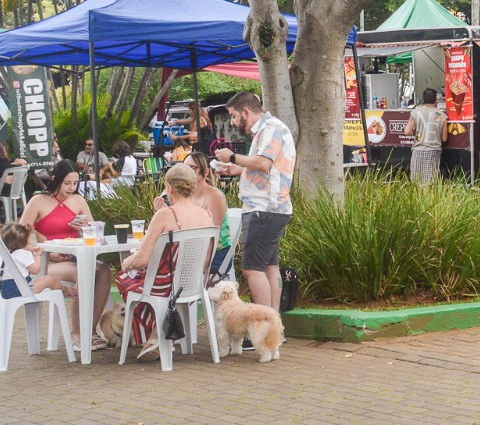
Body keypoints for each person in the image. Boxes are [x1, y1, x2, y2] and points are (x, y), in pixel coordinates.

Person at [117, 164, 216, 361]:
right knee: (143, 279)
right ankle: (156, 334)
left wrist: (126, 263)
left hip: (164, 287)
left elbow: (142, 259)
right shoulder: (206, 215)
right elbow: (206, 259)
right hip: (192, 284)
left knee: (123, 278)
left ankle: (155, 335)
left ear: (169, 187)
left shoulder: (165, 215)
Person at [212, 91, 295, 311]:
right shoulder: (267, 129)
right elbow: (267, 168)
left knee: (252, 269)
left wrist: (231, 157)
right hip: (270, 208)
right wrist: (236, 169)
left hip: (263, 208)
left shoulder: (270, 129)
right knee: (269, 267)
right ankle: (273, 323)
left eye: (233, 116)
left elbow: (263, 163)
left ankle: (264, 323)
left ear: (245, 112)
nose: (232, 122)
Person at [18, 161, 112, 332]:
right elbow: (18, 238)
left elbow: (95, 233)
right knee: (83, 272)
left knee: (104, 270)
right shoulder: (38, 201)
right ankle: (77, 333)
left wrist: (85, 228)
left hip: (75, 256)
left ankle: (89, 330)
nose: (71, 188)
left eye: (75, 183)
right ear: (55, 179)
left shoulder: (78, 201)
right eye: (67, 183)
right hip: (47, 261)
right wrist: (45, 252)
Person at [0, 222, 72, 302]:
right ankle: (67, 291)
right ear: (26, 241)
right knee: (49, 279)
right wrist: (37, 255)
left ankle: (64, 291)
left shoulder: (4, 254)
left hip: (2, 290)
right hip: (18, 290)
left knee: (42, 280)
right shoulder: (23, 254)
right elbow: (35, 270)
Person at [405, 88, 446, 183]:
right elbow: (444, 138)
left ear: (423, 99)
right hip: (434, 151)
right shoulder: (442, 115)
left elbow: (407, 131)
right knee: (430, 182)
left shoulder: (415, 112)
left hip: (418, 150)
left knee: (416, 181)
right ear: (436, 100)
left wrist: (416, 133)